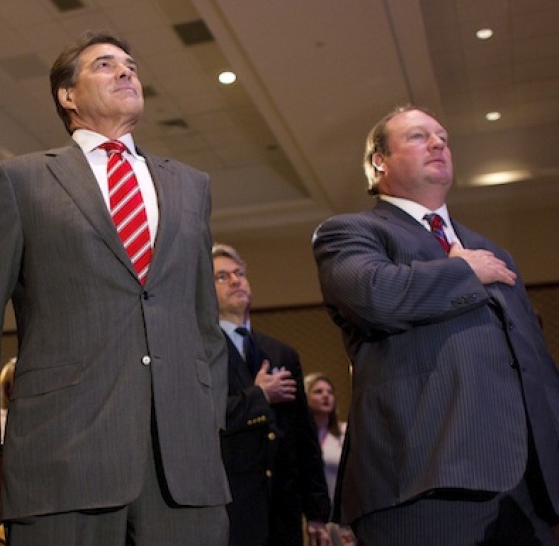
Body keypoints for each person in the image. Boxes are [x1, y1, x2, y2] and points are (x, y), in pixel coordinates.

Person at [0, 30, 230, 545]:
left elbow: (205, 323)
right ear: (67, 95)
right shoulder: (21, 181)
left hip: (184, 470)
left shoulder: (191, 185)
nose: (126, 71)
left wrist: (205, 423)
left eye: (131, 64)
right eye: (105, 64)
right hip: (62, 461)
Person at [312, 105, 559, 544]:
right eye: (418, 136)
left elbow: (534, 362)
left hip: (525, 489)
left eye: (442, 136)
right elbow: (375, 297)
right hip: (422, 480)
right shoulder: (349, 233)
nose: (438, 143)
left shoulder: (491, 250)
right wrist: (464, 273)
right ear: (379, 161)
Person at [212, 243, 331, 546]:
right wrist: (259, 395)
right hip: (230, 508)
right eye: (222, 277)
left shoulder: (281, 352)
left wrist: (317, 511)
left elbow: (303, 435)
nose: (236, 281)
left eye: (240, 273)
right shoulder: (199, 352)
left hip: (282, 508)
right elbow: (202, 419)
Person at [304, 372, 346, 505]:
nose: (326, 395)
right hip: (310, 514)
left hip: (342, 511)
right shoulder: (300, 437)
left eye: (330, 392)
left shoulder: (345, 432)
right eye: (318, 392)